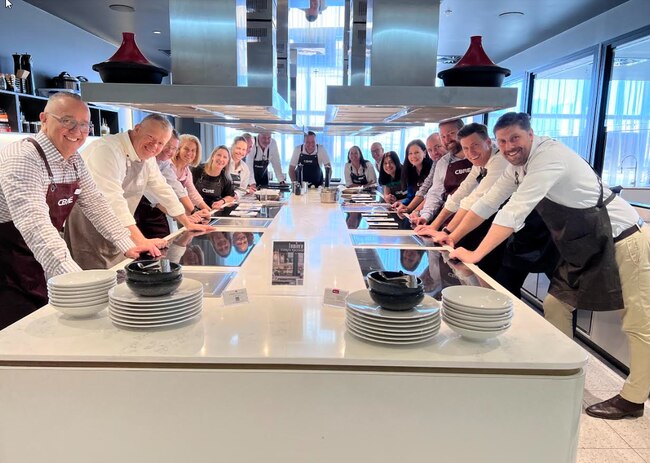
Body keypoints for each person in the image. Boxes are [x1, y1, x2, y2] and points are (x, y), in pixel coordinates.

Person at [446, 112, 649, 420]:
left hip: (623, 237)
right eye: (503, 141)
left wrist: (475, 255)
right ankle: (559, 370)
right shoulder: (516, 167)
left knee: (638, 320)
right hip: (584, 244)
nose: (509, 146)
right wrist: (448, 236)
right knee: (555, 304)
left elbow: (514, 211)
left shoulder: (549, 156)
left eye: (515, 138)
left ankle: (634, 398)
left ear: (530, 135)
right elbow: (486, 202)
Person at [0, 92, 159, 329]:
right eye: (67, 121)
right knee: (16, 335)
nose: (77, 130)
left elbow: (97, 205)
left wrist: (129, 245)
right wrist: (77, 281)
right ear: (44, 119)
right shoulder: (23, 158)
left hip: (32, 257)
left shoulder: (74, 160)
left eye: (84, 124)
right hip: (5, 261)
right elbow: (35, 226)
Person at [64, 114, 214, 270]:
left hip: (120, 230)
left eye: (161, 143)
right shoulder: (106, 150)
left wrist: (186, 221)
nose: (155, 146)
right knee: (94, 281)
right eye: (151, 137)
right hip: (89, 228)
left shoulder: (147, 156)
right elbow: (112, 201)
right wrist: (140, 240)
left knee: (117, 276)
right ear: (137, 129)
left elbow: (161, 188)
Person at [133, 131, 207, 239]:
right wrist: (184, 216)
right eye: (167, 146)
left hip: (159, 208)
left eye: (174, 148)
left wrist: (192, 212)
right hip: (138, 208)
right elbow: (157, 195)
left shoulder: (165, 163)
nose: (170, 151)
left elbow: (177, 188)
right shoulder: (148, 160)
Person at [395, 131, 448, 214]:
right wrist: (408, 207)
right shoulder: (436, 163)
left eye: (438, 147)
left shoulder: (434, 164)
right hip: (429, 211)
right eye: (410, 153)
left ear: (424, 153)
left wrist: (414, 211)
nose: (434, 152)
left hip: (439, 210)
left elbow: (432, 194)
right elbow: (422, 190)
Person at [170, 134, 211, 216]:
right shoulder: (169, 166)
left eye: (193, 150)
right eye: (186, 149)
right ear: (178, 149)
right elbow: (178, 192)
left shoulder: (187, 171)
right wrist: (194, 211)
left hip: (175, 209)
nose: (189, 153)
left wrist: (208, 210)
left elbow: (193, 193)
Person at [390, 139, 433, 211]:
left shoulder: (432, 169)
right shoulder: (410, 172)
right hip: (414, 210)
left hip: (429, 210)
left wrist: (409, 208)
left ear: (424, 153)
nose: (413, 156)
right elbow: (410, 197)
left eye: (416, 152)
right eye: (410, 153)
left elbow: (429, 197)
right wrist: (401, 203)